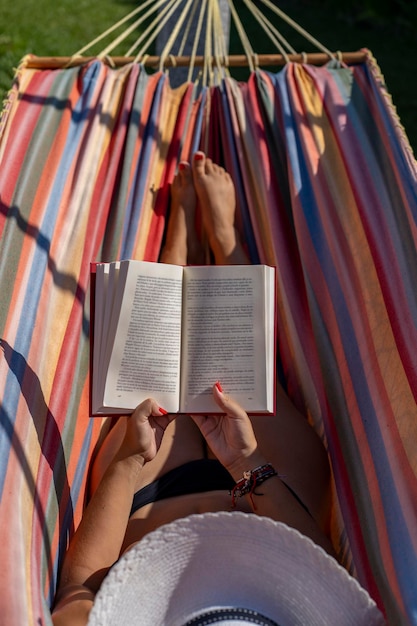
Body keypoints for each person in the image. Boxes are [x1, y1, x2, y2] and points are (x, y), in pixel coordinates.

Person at [50, 153, 380, 626]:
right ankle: (225, 240)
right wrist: (247, 463)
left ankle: (177, 243)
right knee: (240, 368)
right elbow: (322, 563)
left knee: (154, 367)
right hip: (274, 498)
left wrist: (130, 461)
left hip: (148, 498)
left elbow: (77, 589)